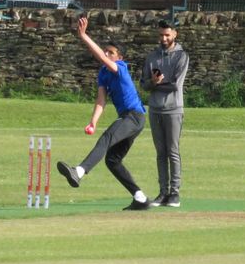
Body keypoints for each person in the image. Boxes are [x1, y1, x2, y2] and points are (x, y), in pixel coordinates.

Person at [57, 17, 150, 210]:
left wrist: (84, 36)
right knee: (112, 160)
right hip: (129, 118)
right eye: (106, 51)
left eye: (111, 53)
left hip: (134, 116)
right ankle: (140, 198)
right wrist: (93, 122)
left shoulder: (121, 68)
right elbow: (101, 100)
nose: (107, 54)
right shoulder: (103, 74)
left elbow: (101, 58)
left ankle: (80, 171)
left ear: (120, 57)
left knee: (108, 137)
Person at [140, 19, 189, 208]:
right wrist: (153, 82)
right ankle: (163, 192)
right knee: (161, 153)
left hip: (174, 109)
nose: (164, 38)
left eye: (167, 35)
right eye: (161, 35)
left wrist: (156, 84)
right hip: (155, 109)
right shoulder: (152, 57)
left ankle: (175, 193)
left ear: (174, 34)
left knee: (173, 151)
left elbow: (175, 85)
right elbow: (144, 84)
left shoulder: (181, 56)